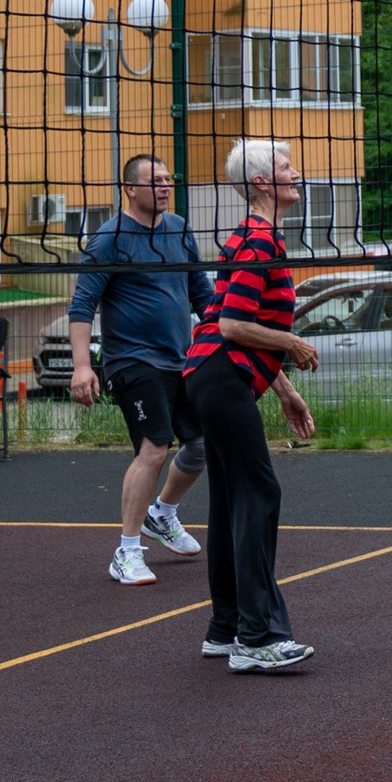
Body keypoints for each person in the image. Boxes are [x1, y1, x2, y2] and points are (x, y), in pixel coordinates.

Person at [183, 138, 320, 671]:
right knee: (260, 493)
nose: (296, 174)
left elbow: (235, 322)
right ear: (263, 182)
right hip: (219, 375)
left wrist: (285, 390)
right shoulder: (260, 241)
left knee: (230, 501)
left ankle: (226, 628)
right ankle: (257, 638)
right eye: (287, 168)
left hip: (211, 374)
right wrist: (294, 344)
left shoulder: (249, 236)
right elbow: (234, 325)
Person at [69, 153, 217, 587]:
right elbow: (82, 305)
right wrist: (82, 367)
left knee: (203, 445)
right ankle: (127, 552)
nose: (165, 186)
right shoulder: (109, 238)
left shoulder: (180, 228)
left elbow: (201, 295)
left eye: (169, 178)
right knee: (154, 448)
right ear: (130, 189)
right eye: (155, 180)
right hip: (133, 360)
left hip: (181, 358)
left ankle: (162, 514)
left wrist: (226, 333)